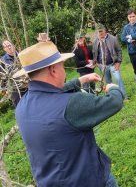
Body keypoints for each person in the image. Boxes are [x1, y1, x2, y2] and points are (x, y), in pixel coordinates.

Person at [14, 41, 124, 186]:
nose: (64, 70)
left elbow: (49, 94)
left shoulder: (22, 105)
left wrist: (79, 81)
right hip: (88, 181)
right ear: (53, 70)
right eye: (62, 66)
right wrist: (113, 88)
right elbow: (114, 102)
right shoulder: (71, 104)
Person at [93, 24, 127, 98]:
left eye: (101, 31)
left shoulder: (113, 39)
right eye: (99, 32)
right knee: (108, 82)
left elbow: (119, 51)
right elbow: (95, 52)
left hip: (113, 64)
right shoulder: (95, 41)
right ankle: (112, 97)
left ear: (105, 30)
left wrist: (118, 62)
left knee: (118, 79)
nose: (100, 33)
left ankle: (124, 97)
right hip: (102, 66)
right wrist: (96, 63)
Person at [0, 40, 26, 106]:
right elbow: (2, 76)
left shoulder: (22, 55)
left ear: (13, 45)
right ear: (4, 49)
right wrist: (5, 88)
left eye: (9, 45)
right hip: (15, 90)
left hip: (28, 84)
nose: (9, 47)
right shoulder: (2, 61)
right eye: (6, 47)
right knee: (20, 107)